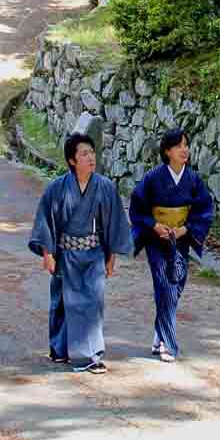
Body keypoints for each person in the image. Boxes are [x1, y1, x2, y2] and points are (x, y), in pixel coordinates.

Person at [28, 132, 133, 374]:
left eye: (92, 152)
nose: (90, 157)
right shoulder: (57, 188)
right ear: (72, 160)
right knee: (64, 303)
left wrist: (111, 257)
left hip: (93, 254)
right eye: (84, 153)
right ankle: (60, 348)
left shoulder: (105, 187)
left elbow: (113, 224)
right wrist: (48, 254)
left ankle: (91, 356)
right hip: (65, 254)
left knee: (93, 304)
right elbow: (45, 220)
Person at [129, 128, 214, 363]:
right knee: (164, 285)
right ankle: (168, 343)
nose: (184, 150)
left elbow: (204, 211)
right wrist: (154, 225)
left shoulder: (194, 180)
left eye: (186, 145)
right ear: (167, 151)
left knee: (176, 285)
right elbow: (137, 207)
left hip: (181, 239)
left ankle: (159, 333)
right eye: (178, 146)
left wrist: (185, 229)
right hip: (157, 240)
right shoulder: (153, 178)